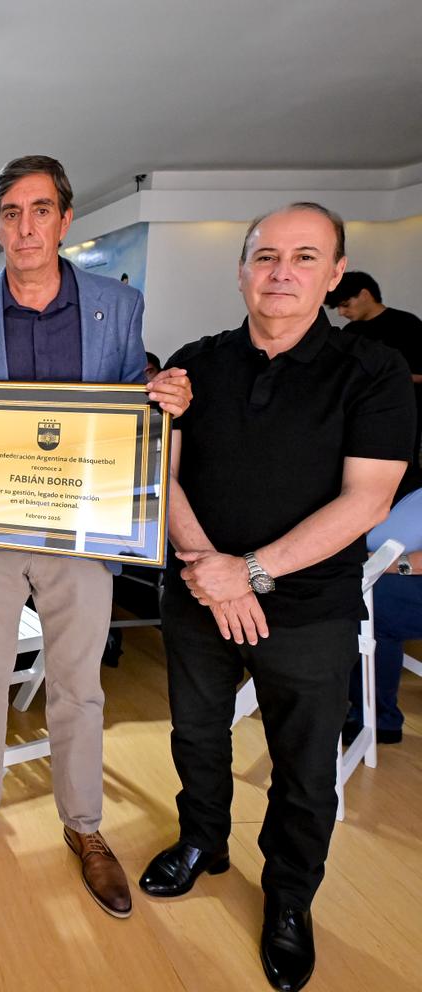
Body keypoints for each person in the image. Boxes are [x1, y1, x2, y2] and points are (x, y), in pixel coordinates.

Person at [139, 203, 413, 992]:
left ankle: (290, 900)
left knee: (302, 770)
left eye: (303, 258)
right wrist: (203, 565)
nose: (281, 272)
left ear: (333, 276)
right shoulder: (197, 363)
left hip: (308, 607)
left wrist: (249, 572)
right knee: (196, 735)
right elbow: (165, 468)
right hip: (197, 592)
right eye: (265, 257)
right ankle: (203, 843)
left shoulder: (375, 372)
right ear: (242, 271)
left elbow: (366, 500)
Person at [0, 155, 191, 917]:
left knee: (79, 685)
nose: (25, 226)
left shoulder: (116, 305)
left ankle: (84, 827)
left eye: (39, 210)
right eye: (11, 212)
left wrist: (161, 397)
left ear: (65, 221)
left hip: (82, 531)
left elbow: (127, 413)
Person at [325, 270, 422, 485]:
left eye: (345, 304)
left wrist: (391, 377)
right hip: (357, 416)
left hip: (405, 414)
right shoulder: (350, 334)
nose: (341, 312)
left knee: (399, 476)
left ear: (365, 295)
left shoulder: (408, 325)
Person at [346, 487, 422, 745]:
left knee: (373, 603)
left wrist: (378, 566)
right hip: (375, 568)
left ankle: (378, 719)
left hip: (395, 575)